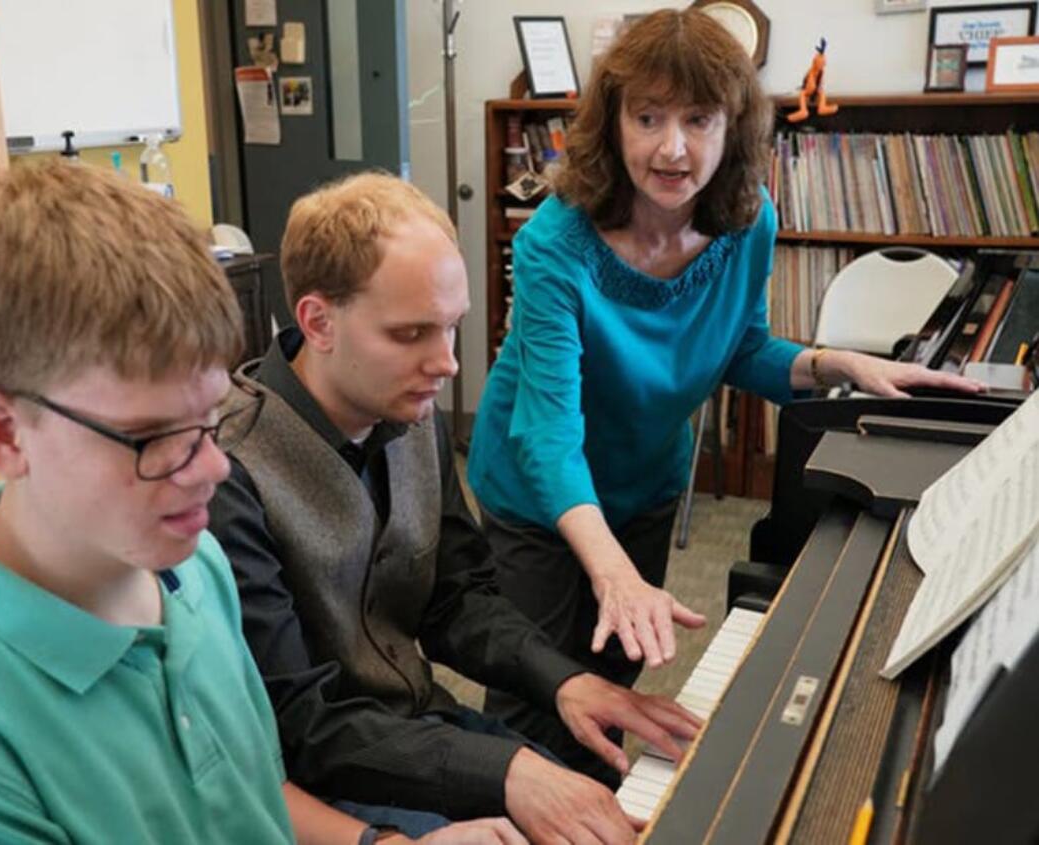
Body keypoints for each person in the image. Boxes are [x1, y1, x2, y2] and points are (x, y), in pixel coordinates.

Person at [0, 162, 518, 845]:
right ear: (7, 433)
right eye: (155, 437)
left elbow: (252, 797)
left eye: (208, 418)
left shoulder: (196, 570)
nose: (214, 466)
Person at [466, 8, 982, 787]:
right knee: (533, 694)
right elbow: (546, 435)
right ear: (613, 123)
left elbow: (739, 348)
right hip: (536, 498)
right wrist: (610, 570)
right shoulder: (553, 244)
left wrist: (836, 362)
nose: (672, 147)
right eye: (647, 117)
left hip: (643, 483)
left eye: (698, 119)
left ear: (731, 125)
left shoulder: (749, 222)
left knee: (614, 685)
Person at [208, 171, 700, 844]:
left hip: (413, 734)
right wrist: (507, 771)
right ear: (318, 321)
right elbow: (301, 721)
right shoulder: (224, 470)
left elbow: (455, 597)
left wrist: (562, 682)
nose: (446, 364)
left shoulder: (410, 413)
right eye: (412, 333)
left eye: (452, 327)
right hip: (314, 790)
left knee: (612, 814)